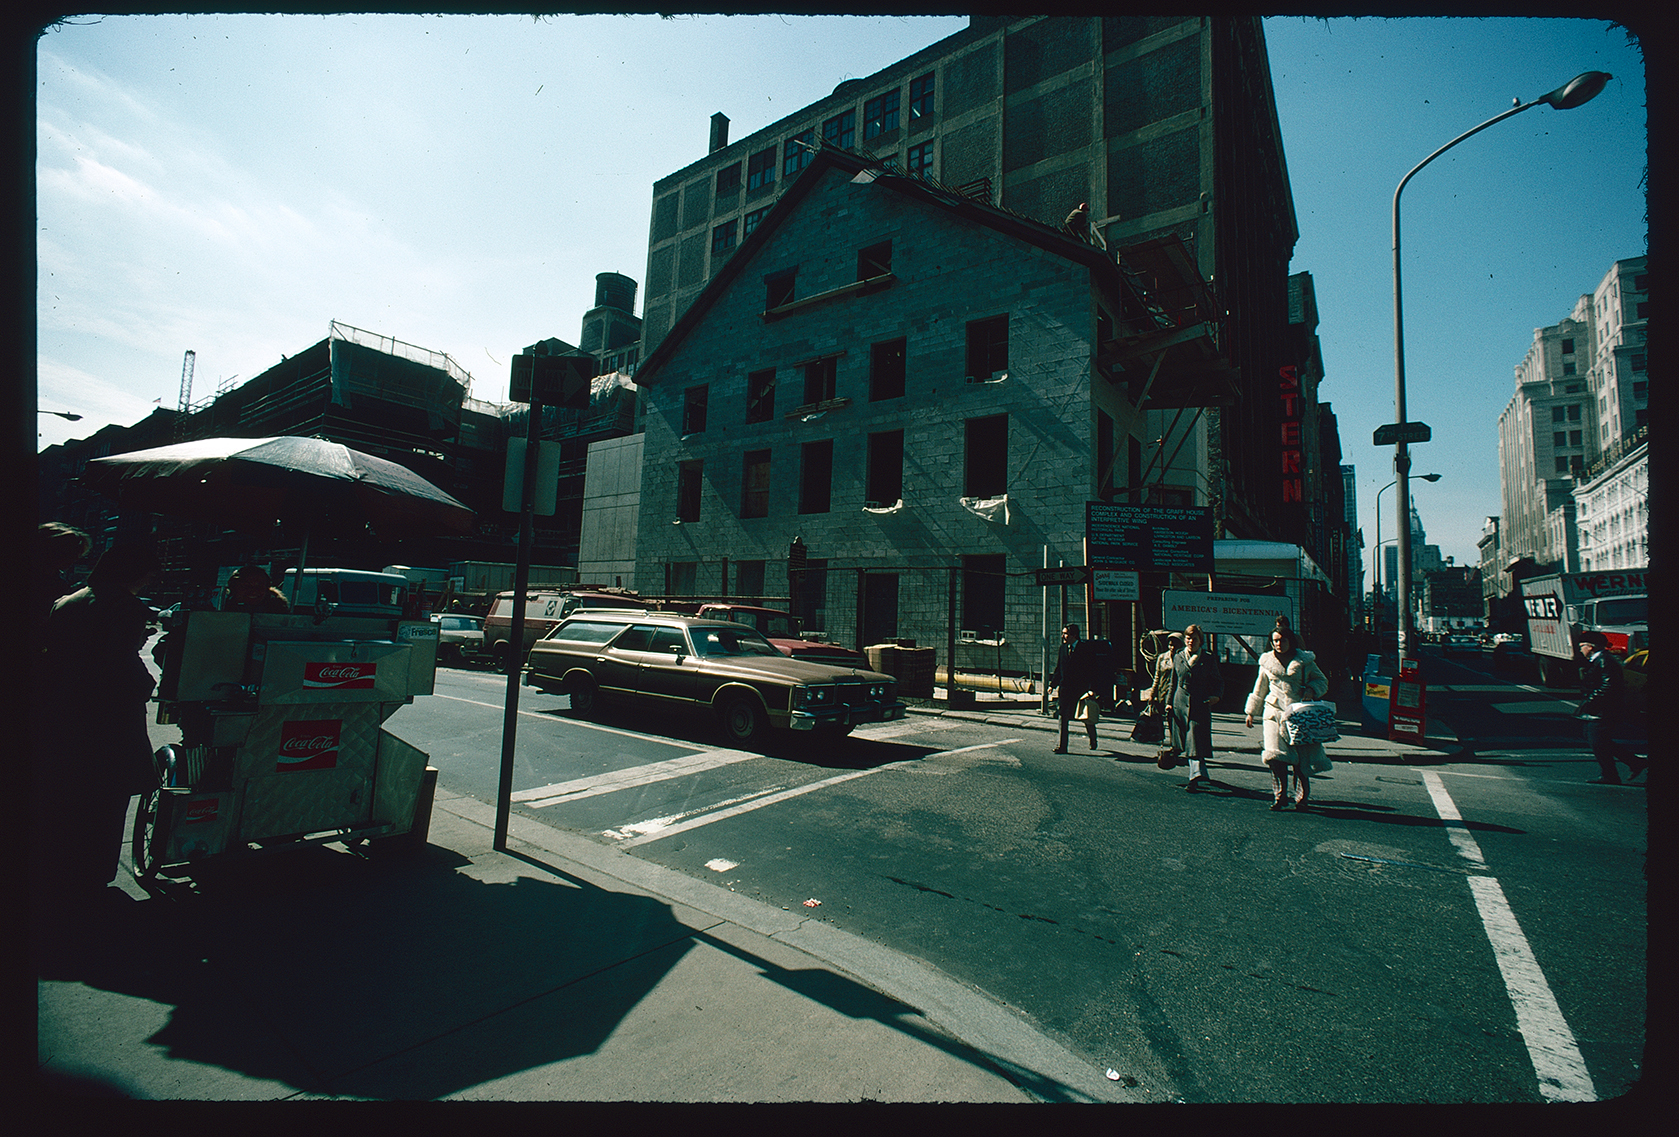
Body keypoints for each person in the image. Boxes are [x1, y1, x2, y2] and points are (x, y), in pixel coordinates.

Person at [35, 542, 163, 912]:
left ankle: (57, 868)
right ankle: (91, 874)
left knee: (64, 797)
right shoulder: (126, 607)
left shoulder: (70, 599)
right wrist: (146, 685)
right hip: (108, 721)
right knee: (105, 802)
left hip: (62, 714)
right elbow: (120, 664)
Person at [1244, 626, 1330, 811]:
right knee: (1275, 757)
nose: (1278, 644)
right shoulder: (1266, 661)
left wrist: (1310, 689)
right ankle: (1280, 796)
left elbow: (1321, 681)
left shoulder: (1304, 660)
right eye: (1275, 640)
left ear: (1290, 641)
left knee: (1301, 760)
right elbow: (1259, 688)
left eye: (1282, 640)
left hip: (1298, 714)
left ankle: (1301, 798)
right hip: (1273, 714)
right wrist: (1251, 712)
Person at [1577, 631, 1646, 784]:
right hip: (1598, 710)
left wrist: (1591, 700)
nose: (1581, 649)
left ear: (1591, 647)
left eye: (1582, 646)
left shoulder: (1604, 660)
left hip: (1604, 710)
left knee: (1597, 741)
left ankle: (1611, 775)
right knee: (1597, 740)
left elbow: (1608, 685)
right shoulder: (1598, 660)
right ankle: (1634, 763)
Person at [1172, 624, 1224, 791]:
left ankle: (1194, 777)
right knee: (1186, 740)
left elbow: (1217, 681)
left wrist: (1216, 696)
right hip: (1180, 703)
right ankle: (1202, 772)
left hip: (1199, 704)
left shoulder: (1207, 658)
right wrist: (1167, 703)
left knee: (1194, 737)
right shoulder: (1179, 656)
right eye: (1188, 638)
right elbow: (1173, 682)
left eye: (1194, 639)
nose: (1190, 641)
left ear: (1200, 641)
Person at [1050, 623, 1103, 754]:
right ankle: (1062, 746)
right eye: (1063, 633)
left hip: (1080, 690)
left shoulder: (1085, 649)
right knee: (1063, 716)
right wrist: (1052, 685)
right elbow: (1059, 669)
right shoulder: (1062, 649)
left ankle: (1093, 739)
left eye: (1066, 633)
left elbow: (1093, 670)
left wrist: (1092, 689)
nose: (1063, 636)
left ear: (1074, 635)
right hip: (1065, 689)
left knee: (1085, 716)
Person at [1150, 632, 1184, 768]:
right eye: (1170, 644)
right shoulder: (1162, 658)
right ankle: (1170, 746)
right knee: (1163, 722)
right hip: (1162, 694)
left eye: (1175, 644)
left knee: (1174, 723)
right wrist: (1152, 693)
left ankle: (1176, 747)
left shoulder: (1182, 658)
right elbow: (1157, 676)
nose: (1172, 647)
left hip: (1176, 696)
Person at [222, 564, 291, 613]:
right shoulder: (220, 608)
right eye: (247, 586)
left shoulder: (277, 611)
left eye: (259, 586)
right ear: (234, 587)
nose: (253, 591)